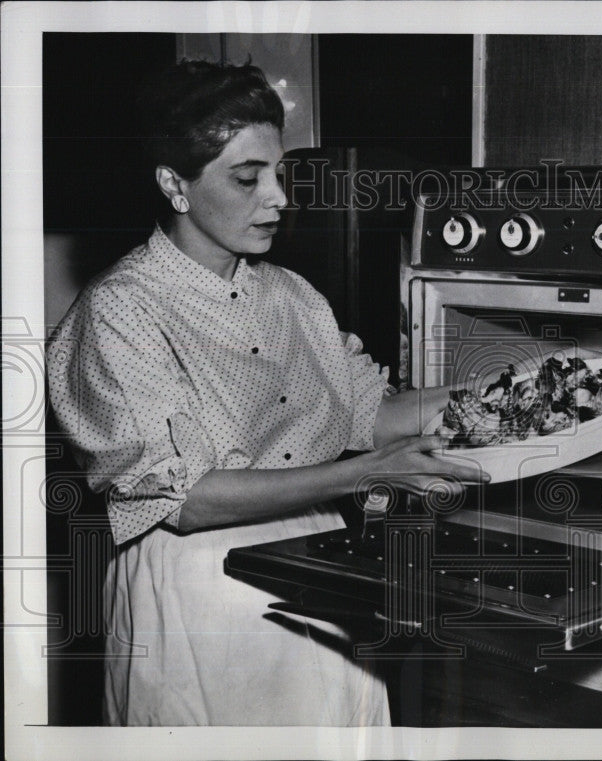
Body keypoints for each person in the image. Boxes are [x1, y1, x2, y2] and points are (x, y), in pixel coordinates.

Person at [45, 59, 486, 727]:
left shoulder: (294, 297)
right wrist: (366, 472)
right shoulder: (117, 313)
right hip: (202, 607)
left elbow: (373, 413)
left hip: (323, 583)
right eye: (248, 179)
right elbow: (185, 499)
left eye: (277, 175)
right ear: (175, 184)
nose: (278, 198)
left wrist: (509, 393)